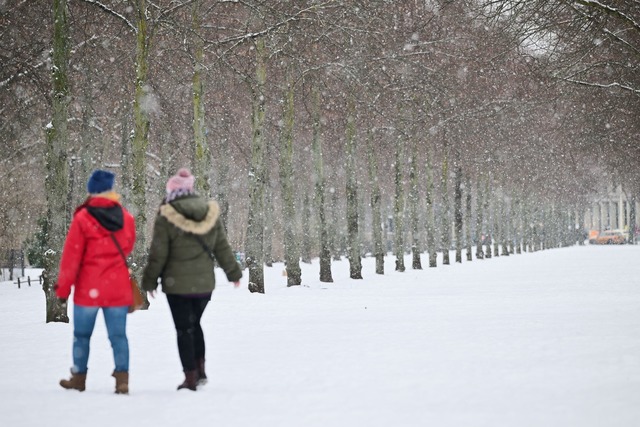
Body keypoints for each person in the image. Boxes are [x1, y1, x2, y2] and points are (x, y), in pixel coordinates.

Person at [142, 168, 242, 391]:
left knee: (184, 329)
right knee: (194, 324)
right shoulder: (208, 211)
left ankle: (190, 377)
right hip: (204, 285)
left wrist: (149, 281)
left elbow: (159, 252)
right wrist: (233, 273)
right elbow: (221, 247)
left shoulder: (166, 214)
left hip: (176, 285)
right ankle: (201, 370)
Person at [56, 170, 136, 394]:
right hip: (117, 286)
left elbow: (71, 257)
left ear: (91, 190)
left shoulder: (82, 218)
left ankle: (79, 378)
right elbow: (127, 247)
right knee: (118, 336)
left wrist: (63, 289)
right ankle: (122, 380)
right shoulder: (126, 217)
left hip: (88, 287)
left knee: (82, 335)